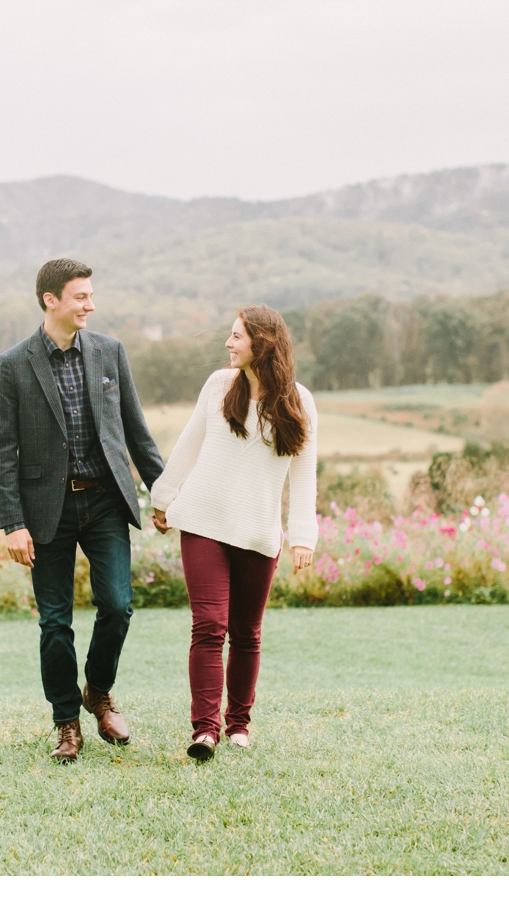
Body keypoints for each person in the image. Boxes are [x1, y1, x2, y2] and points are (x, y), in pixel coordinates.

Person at [0, 258, 165, 763]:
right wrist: (12, 523)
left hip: (107, 500)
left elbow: (136, 431)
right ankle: (66, 722)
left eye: (91, 295)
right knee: (55, 623)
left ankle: (99, 692)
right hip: (47, 510)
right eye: (81, 296)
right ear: (52, 300)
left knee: (117, 605)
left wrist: (165, 494)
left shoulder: (110, 352)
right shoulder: (14, 365)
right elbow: (3, 450)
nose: (91, 304)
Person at [149, 305, 317, 761]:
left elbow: (304, 474)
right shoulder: (219, 386)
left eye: (236, 336)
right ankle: (205, 730)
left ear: (261, 343)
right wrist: (162, 497)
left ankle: (238, 724)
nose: (228, 343)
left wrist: (303, 535)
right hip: (203, 520)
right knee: (209, 625)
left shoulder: (298, 402)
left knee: (246, 633)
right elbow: (189, 444)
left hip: (259, 532)